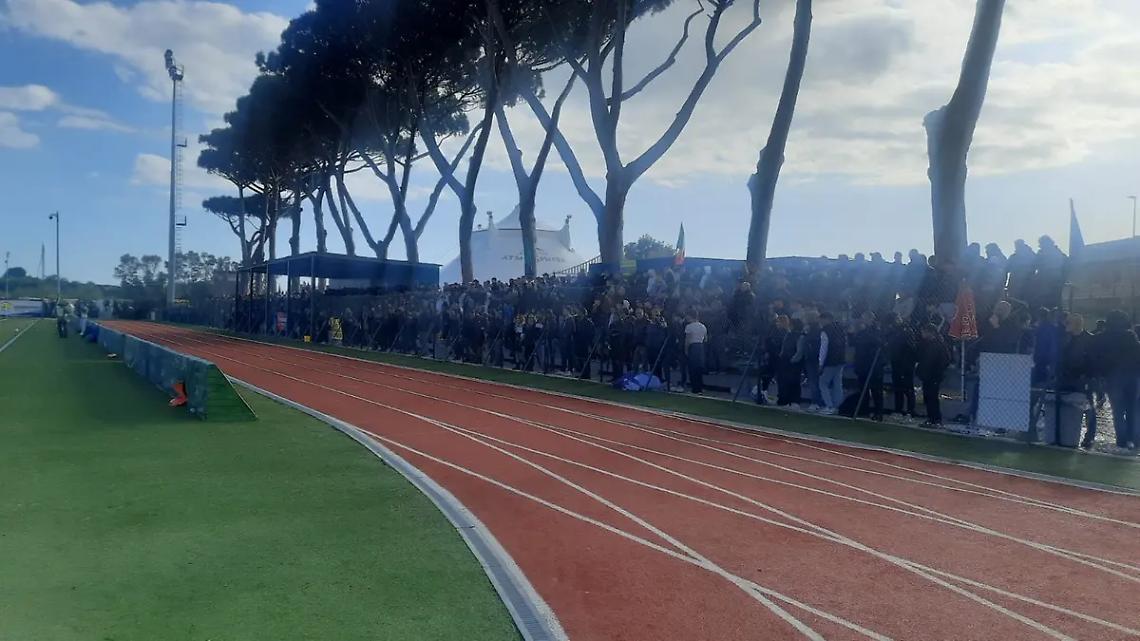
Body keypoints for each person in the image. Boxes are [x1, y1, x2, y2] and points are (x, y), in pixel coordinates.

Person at [1092, 310, 1140, 450]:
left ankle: (1121, 441)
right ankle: (1134, 440)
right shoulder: (1130, 336)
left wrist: (1101, 375)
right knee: (1132, 409)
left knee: (1117, 411)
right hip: (1133, 376)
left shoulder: (1102, 338)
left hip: (1113, 378)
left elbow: (1097, 359)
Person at [916, 323, 951, 427]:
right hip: (929, 375)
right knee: (928, 397)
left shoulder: (937, 344)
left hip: (933, 375)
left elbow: (944, 360)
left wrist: (936, 370)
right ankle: (931, 418)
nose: (922, 334)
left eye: (923, 332)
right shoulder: (931, 344)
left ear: (929, 332)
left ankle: (935, 419)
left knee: (932, 398)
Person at [853, 312, 885, 420]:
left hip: (873, 366)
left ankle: (878, 412)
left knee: (876, 390)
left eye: (866, 318)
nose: (864, 321)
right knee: (863, 389)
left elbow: (879, 345)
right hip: (862, 365)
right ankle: (864, 410)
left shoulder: (877, 332)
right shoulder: (861, 332)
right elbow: (856, 345)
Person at [886, 313, 918, 418]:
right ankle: (898, 410)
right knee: (898, 388)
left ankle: (910, 410)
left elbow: (912, 349)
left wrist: (908, 364)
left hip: (906, 365)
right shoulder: (893, 332)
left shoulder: (907, 331)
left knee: (908, 388)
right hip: (896, 364)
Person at [817, 311, 847, 415]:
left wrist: (820, 363)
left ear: (826, 319)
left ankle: (829, 405)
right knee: (837, 384)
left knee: (823, 383)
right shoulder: (840, 329)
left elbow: (823, 349)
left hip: (830, 361)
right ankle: (837, 406)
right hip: (840, 360)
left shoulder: (825, 331)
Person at [684, 311, 708, 395]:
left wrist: (686, 349)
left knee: (692, 368)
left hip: (693, 346)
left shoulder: (689, 327)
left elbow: (687, 340)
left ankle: (694, 388)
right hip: (700, 346)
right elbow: (706, 339)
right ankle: (700, 387)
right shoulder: (703, 326)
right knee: (699, 367)